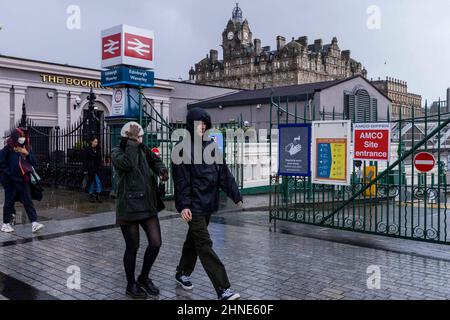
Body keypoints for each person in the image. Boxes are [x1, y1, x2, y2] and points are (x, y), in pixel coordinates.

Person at [172, 108, 243, 301]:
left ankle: (182, 272)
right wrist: (184, 205)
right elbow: (181, 181)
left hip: (208, 204)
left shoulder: (212, 147)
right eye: (198, 123)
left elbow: (224, 174)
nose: (202, 127)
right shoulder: (182, 149)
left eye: (204, 124)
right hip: (193, 206)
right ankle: (223, 289)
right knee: (204, 244)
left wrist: (236, 195)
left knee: (193, 241)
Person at [111, 122, 169, 299]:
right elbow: (127, 164)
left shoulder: (142, 148)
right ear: (128, 137)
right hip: (128, 207)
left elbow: (155, 161)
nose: (141, 138)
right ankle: (131, 285)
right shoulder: (117, 152)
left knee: (156, 243)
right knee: (133, 247)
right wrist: (132, 143)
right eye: (138, 136)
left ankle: (143, 277)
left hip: (147, 204)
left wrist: (161, 170)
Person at [0, 127, 44, 233]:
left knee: (27, 200)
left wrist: (27, 153)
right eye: (21, 136)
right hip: (11, 180)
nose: (22, 138)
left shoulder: (27, 147)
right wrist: (9, 174)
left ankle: (34, 222)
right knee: (9, 201)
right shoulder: (8, 148)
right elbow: (1, 162)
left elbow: (33, 161)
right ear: (16, 136)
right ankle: (5, 224)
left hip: (24, 179)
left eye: (24, 136)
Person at [83, 137, 103, 203]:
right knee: (91, 182)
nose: (96, 143)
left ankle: (98, 195)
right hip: (90, 169)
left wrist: (100, 167)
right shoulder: (87, 149)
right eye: (95, 142)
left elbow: (99, 159)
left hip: (97, 169)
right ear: (91, 142)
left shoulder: (98, 149)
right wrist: (85, 169)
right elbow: (85, 160)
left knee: (98, 182)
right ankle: (91, 195)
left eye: (97, 142)